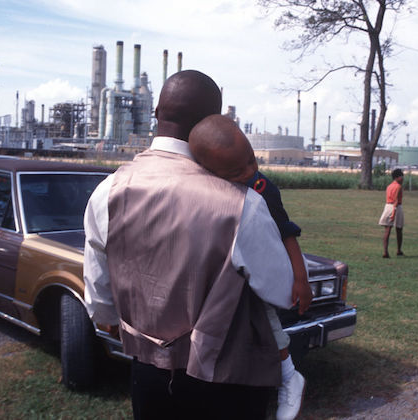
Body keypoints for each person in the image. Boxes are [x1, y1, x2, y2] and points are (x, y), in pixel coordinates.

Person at [83, 70, 296, 420]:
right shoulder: (241, 203)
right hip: (230, 379)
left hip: (148, 374)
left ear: (156, 114)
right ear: (214, 121)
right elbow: (282, 291)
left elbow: (100, 297)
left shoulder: (108, 192)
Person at [189, 114, 313, 420]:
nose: (249, 170)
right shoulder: (205, 189)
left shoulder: (261, 187)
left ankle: (289, 375)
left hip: (258, 269)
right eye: (236, 171)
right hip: (222, 274)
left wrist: (300, 278)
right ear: (209, 171)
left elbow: (287, 232)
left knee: (266, 319)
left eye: (251, 159)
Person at [378, 168, 405, 258]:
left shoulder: (389, 186)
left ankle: (385, 251)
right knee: (399, 230)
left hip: (388, 206)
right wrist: (394, 213)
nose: (403, 178)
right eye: (401, 176)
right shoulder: (398, 187)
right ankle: (398, 250)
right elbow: (396, 201)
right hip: (396, 207)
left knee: (387, 230)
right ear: (397, 177)